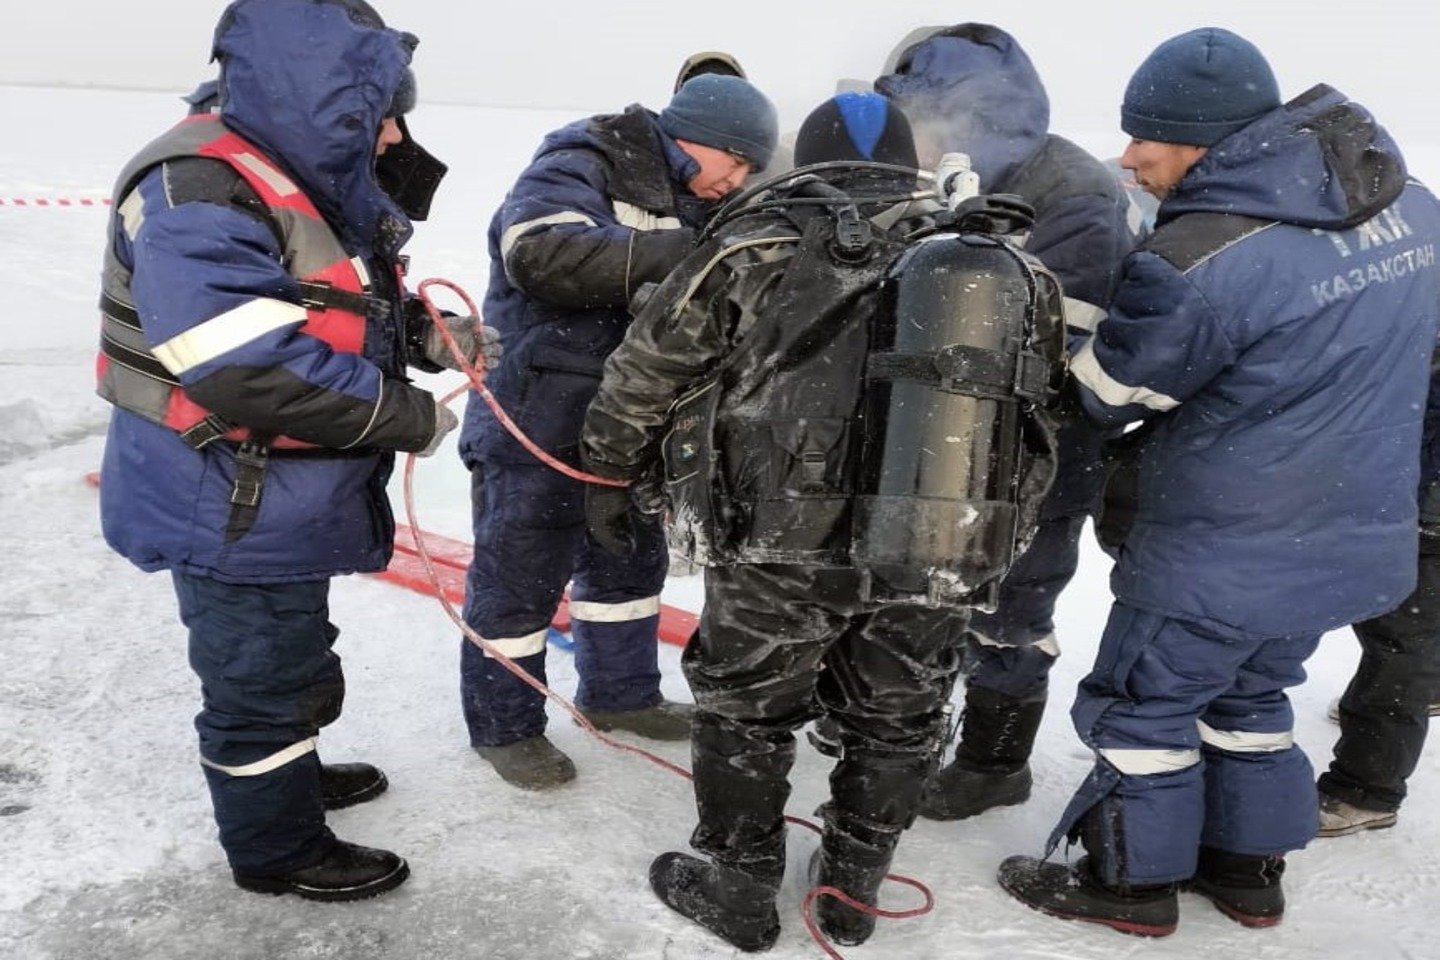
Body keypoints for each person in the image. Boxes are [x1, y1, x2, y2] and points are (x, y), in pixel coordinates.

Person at [580, 92, 1063, 950]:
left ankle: (738, 885)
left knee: (746, 705)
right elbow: (1036, 405)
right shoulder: (990, 260)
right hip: (934, 523)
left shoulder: (752, 241)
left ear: (807, 158)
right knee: (899, 711)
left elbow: (647, 368)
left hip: (777, 530)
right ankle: (854, 889)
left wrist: (609, 471)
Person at [997, 28, 1440, 936]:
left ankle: (1129, 886)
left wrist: (1042, 338)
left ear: (1203, 142)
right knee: (1250, 700)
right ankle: (1245, 874)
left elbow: (1108, 395)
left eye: (1145, 144)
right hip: (1350, 531)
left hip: (1220, 541)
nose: (1129, 161)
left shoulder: (1199, 259)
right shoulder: (1417, 212)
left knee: (1143, 707)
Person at [95, 0, 489, 901]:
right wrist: (406, 415)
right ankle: (277, 849)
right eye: (380, 113)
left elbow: (323, 301)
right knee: (258, 679)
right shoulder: (199, 187)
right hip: (223, 499)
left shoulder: (286, 171)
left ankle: (290, 779)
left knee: (296, 653)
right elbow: (244, 364)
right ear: (319, 99)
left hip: (274, 495)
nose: (394, 134)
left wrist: (429, 338)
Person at [456, 74, 779, 790]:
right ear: (705, 141)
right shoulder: (584, 158)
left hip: (635, 422)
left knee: (628, 563)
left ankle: (621, 694)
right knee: (520, 575)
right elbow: (542, 254)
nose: (741, 180)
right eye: (741, 162)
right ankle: (505, 727)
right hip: (539, 417)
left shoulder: (700, 196)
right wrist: (698, 260)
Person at [848, 22, 1137, 820]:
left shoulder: (1072, 194)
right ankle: (916, 721)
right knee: (930, 593)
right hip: (949, 441)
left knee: (1013, 607)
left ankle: (993, 762)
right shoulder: (953, 175)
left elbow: (1061, 338)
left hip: (1046, 450)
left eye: (917, 114)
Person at [1318, 499, 1440, 835]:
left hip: (1420, 510)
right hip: (1400, 496)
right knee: (1407, 634)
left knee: (1402, 646)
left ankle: (1366, 792)